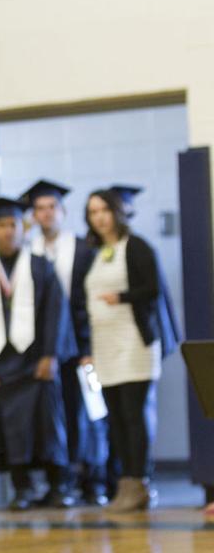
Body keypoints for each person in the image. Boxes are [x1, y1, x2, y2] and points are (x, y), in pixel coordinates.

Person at [0, 197, 74, 509]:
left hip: (36, 363)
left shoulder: (41, 267)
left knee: (48, 426)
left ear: (23, 229)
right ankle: (21, 488)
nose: (9, 231)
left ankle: (57, 486)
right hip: (0, 367)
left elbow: (55, 314)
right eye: (2, 225)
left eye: (13, 225)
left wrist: (51, 355)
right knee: (11, 429)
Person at [75, 189, 180, 512]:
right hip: (105, 345)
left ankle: (140, 481)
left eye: (105, 209)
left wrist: (121, 297)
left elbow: (152, 289)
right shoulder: (98, 252)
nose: (100, 217)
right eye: (93, 212)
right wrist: (89, 348)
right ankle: (124, 484)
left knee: (135, 416)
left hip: (134, 343)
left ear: (117, 212)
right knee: (116, 418)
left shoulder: (137, 246)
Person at [21, 179, 108, 505]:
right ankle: (63, 481)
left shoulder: (85, 249)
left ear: (63, 211)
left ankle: (95, 482)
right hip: (48, 351)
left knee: (91, 413)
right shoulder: (29, 253)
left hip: (83, 348)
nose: (46, 214)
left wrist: (89, 349)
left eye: (52, 207)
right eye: (40, 208)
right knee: (58, 417)